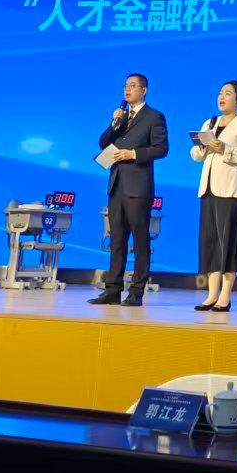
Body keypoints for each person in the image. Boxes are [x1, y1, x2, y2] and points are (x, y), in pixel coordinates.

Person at [90, 72, 168, 306]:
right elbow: (103, 143)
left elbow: (161, 149)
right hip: (116, 185)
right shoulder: (122, 116)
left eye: (133, 86)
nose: (127, 90)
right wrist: (115, 122)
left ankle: (136, 292)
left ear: (144, 90)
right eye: (126, 86)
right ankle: (112, 290)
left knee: (140, 240)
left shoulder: (154, 116)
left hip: (138, 187)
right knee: (117, 240)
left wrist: (133, 154)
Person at [190, 80, 237, 312]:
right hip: (208, 189)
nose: (222, 97)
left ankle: (225, 297)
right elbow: (195, 155)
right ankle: (211, 295)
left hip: (231, 191)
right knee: (210, 243)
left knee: (228, 244)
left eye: (228, 94)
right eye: (220, 93)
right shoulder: (210, 123)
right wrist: (203, 147)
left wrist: (225, 149)